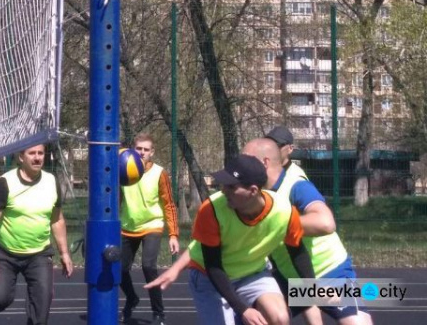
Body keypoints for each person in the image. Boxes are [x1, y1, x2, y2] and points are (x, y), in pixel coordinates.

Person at [145, 154, 315, 325]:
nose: (224, 190)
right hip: (209, 277)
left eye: (231, 186)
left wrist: (312, 290)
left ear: (253, 191)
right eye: (224, 184)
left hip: (252, 273)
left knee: (280, 318)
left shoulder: (284, 211)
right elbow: (213, 266)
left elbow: (298, 252)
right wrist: (243, 309)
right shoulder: (211, 210)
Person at [243, 138, 373, 325]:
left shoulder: (296, 186)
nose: (240, 165)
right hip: (289, 279)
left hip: (330, 272)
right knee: (253, 318)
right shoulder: (253, 193)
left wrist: (278, 223)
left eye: (247, 160)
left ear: (264, 162)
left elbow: (325, 222)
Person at [0, 144, 74, 325]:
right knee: (0, 298)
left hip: (39, 253)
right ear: (21, 157)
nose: (37, 158)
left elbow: (57, 220)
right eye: (32, 153)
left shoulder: (51, 182)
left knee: (41, 308)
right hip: (6, 254)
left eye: (40, 153)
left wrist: (65, 253)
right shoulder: (5, 183)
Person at [119, 133, 179, 324]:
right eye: (139, 149)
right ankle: (132, 298)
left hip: (152, 225)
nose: (142, 152)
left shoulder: (159, 173)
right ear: (132, 150)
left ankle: (158, 312)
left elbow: (169, 204)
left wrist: (173, 235)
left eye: (146, 149)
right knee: (119, 269)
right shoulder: (122, 170)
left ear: (152, 152)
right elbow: (117, 198)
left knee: (148, 266)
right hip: (128, 226)